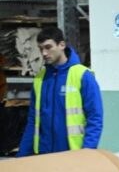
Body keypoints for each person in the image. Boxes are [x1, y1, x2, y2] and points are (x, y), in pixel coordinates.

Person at [17, 27, 103, 157]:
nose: (44, 53)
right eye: (41, 49)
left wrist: (87, 153)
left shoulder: (82, 75)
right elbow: (33, 120)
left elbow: (95, 117)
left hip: (73, 154)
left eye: (48, 47)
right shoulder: (40, 79)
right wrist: (22, 155)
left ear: (61, 45)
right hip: (43, 154)